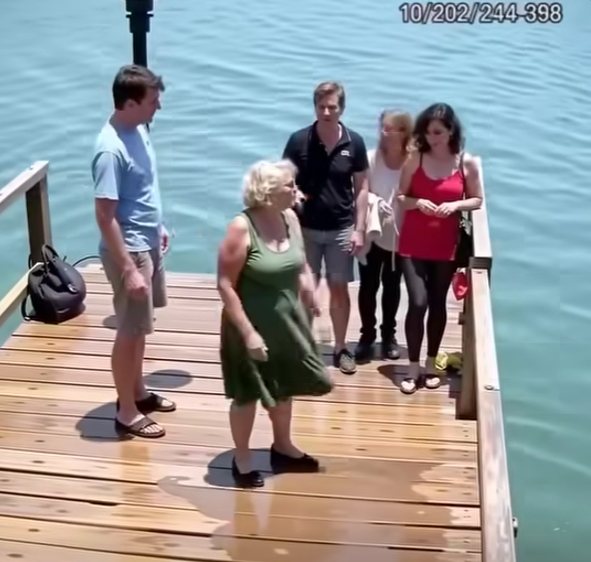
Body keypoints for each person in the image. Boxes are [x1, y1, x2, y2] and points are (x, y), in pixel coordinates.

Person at [216, 159, 334, 488]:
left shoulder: (290, 218)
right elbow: (225, 284)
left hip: (288, 322)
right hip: (250, 326)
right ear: (268, 192)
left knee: (285, 386)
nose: (297, 190)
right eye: (290, 186)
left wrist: (312, 296)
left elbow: (301, 264)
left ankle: (282, 446)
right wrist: (249, 333)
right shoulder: (241, 228)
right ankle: (242, 458)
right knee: (247, 394)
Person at [92, 64, 174, 438]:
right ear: (129, 104)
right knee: (128, 330)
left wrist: (159, 226)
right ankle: (126, 411)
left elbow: (143, 188)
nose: (158, 107)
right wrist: (128, 268)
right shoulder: (110, 150)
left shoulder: (139, 129)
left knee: (140, 327)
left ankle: (138, 392)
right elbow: (105, 215)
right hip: (130, 251)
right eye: (152, 101)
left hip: (148, 240)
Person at [282, 81, 369, 375]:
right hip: (304, 229)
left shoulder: (355, 143)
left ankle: (341, 347)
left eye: (332, 107)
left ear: (342, 109)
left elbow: (362, 188)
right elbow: (284, 182)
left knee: (339, 289)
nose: (327, 112)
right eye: (321, 107)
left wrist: (359, 229)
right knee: (305, 289)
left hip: (341, 229)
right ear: (315, 107)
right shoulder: (298, 141)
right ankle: (304, 348)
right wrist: (285, 220)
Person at [396, 103, 483, 394]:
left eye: (437, 132)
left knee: (437, 303)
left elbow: (477, 200)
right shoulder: (415, 159)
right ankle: (412, 367)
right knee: (417, 301)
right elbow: (401, 196)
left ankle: (431, 364)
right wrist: (417, 202)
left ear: (450, 131)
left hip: (445, 245)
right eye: (427, 132)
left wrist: (455, 205)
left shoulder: (466, 163)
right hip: (412, 241)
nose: (431, 138)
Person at [354, 109, 413, 362]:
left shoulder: (413, 161)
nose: (384, 133)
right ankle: (366, 335)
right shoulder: (371, 159)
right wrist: (375, 203)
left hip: (400, 236)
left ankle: (389, 335)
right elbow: (361, 191)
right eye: (382, 128)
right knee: (368, 286)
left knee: (392, 285)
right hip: (372, 232)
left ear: (404, 131)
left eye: (390, 129)